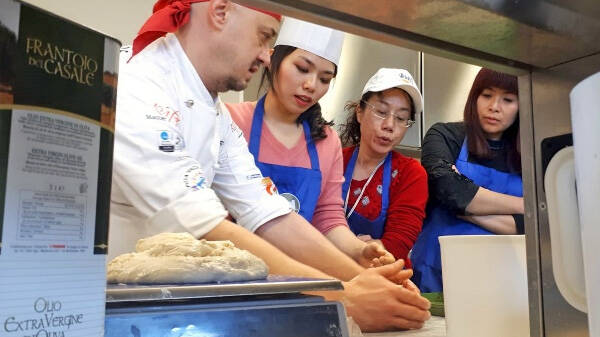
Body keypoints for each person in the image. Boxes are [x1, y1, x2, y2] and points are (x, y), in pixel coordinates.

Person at [110, 0, 430, 331]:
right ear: (220, 12)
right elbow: (205, 223)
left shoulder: (214, 110)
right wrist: (343, 294)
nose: (266, 55)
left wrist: (364, 278)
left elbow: (268, 211)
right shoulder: (137, 88)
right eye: (263, 37)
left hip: (167, 310)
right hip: (114, 308)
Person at [227, 17, 394, 268]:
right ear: (273, 60)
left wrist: (359, 250)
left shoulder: (327, 142)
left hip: (301, 279)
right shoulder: (232, 121)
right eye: (302, 69)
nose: (311, 86)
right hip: (232, 275)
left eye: (325, 79)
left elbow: (327, 217)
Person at [410, 68, 523, 293]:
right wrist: (524, 205)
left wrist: (466, 207)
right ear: (474, 97)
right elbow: (448, 189)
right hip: (436, 276)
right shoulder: (444, 135)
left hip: (503, 282)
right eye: (487, 95)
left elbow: (537, 224)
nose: (494, 107)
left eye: (508, 99)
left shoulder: (528, 155)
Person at [338, 68, 428, 268]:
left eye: (401, 118)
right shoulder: (334, 160)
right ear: (359, 112)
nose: (390, 125)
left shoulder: (410, 172)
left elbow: (399, 241)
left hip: (386, 276)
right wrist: (354, 249)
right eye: (381, 112)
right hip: (330, 272)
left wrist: (368, 251)